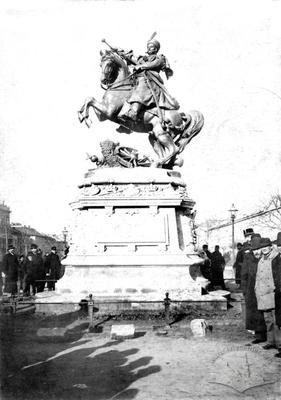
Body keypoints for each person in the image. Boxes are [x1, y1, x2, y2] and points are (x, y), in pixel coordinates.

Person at [117, 37, 179, 123]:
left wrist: (141, 66)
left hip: (150, 80)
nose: (149, 48)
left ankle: (133, 113)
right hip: (138, 78)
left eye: (152, 47)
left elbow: (154, 64)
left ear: (156, 49)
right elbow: (132, 58)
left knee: (141, 88)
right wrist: (121, 52)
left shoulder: (159, 58)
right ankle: (124, 117)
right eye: (148, 46)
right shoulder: (142, 58)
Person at [254, 237, 281, 357]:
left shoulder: (275, 258)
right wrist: (257, 289)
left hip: (273, 293)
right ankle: (271, 342)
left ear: (271, 246)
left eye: (266, 247)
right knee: (268, 320)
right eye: (262, 247)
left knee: (277, 321)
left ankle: (280, 345)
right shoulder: (261, 260)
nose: (264, 249)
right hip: (262, 294)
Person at [241, 234, 267, 345]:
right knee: (254, 313)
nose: (256, 252)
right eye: (254, 250)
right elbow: (244, 275)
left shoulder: (265, 257)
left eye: (258, 249)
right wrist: (245, 291)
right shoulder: (247, 258)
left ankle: (269, 336)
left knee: (265, 313)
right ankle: (259, 335)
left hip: (264, 289)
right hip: (251, 289)